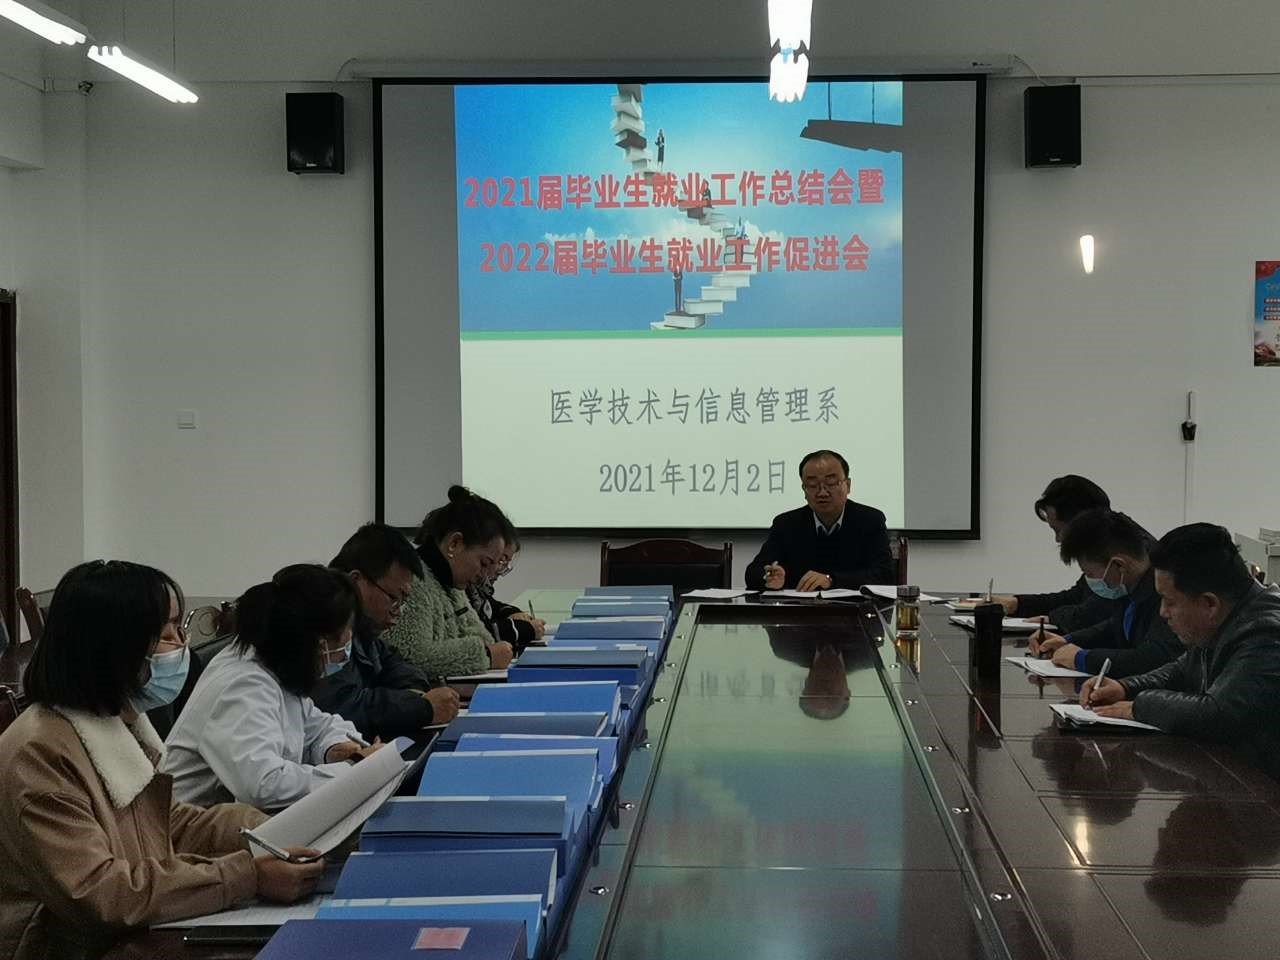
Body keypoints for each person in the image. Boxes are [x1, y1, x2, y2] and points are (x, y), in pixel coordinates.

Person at [0, 561, 323, 958]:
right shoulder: (40, 754)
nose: (180, 644)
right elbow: (98, 891)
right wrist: (246, 876)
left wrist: (275, 830)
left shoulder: (112, 720)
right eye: (164, 632)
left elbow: (170, 823)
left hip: (126, 940)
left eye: (178, 628)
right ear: (111, 645)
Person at [163, 564, 379, 810]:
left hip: (231, 820)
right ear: (319, 643)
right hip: (186, 827)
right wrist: (352, 771)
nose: (346, 649)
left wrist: (336, 748)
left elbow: (318, 726)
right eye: (344, 638)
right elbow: (264, 785)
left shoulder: (277, 665)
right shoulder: (243, 684)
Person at [1083, 523, 1280, 779]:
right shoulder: (1228, 616)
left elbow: (1217, 714)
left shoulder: (1266, 632)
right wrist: (1124, 687)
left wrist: (1139, 706)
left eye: (1170, 601)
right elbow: (1182, 669)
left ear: (1209, 604)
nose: (1163, 612)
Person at [312, 523, 461, 741]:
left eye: (403, 601)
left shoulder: (364, 630)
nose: (398, 611)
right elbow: (341, 707)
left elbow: (399, 666)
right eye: (393, 598)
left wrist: (415, 696)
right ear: (356, 581)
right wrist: (420, 708)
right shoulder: (323, 627)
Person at [1029, 509, 1184, 677]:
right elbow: (1115, 627)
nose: (1090, 580)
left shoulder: (1165, 592)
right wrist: (1067, 640)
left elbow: (1153, 658)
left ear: (1119, 565)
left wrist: (1082, 658)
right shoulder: (1130, 587)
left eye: (1089, 573)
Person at [384, 486, 515, 679]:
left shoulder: (452, 585)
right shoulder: (411, 581)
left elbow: (484, 638)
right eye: (484, 563)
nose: (484, 576)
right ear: (455, 543)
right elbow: (411, 656)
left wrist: (487, 650)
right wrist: (485, 655)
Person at [745, 449, 894, 591]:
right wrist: (769, 578)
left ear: (848, 486)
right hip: (799, 607)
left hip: (853, 607)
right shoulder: (786, 524)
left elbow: (885, 575)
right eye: (812, 485)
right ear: (804, 489)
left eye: (831, 483)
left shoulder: (870, 520)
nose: (822, 492)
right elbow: (753, 573)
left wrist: (831, 580)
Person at [993, 475, 1120, 632]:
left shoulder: (1122, 554)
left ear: (1081, 522)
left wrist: (1054, 618)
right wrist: (1018, 603)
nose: (1058, 539)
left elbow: (1094, 613)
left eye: (1058, 530)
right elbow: (1075, 597)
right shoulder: (1104, 546)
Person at [466, 521, 546, 650]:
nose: (499, 570)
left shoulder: (477, 589)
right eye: (501, 560)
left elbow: (492, 606)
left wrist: (512, 613)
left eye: (505, 563)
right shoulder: (461, 586)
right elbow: (475, 633)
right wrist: (525, 629)